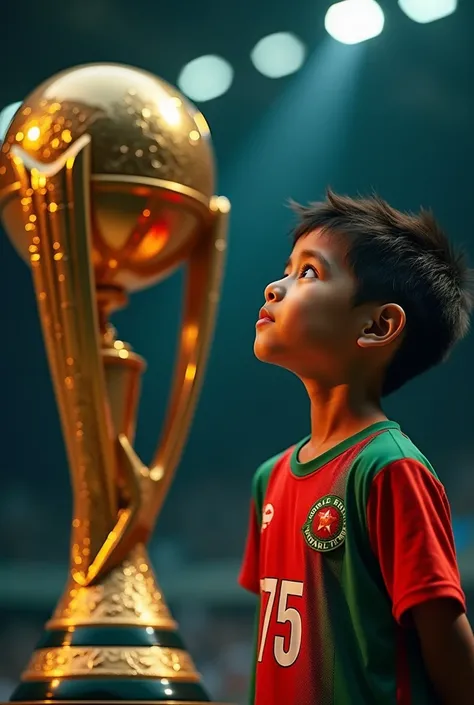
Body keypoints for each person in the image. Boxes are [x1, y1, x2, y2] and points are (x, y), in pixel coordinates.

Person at [239, 189, 474, 704]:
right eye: (287, 269)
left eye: (308, 273)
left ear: (377, 326)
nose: (274, 287)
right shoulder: (268, 478)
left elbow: (450, 653)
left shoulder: (390, 469)